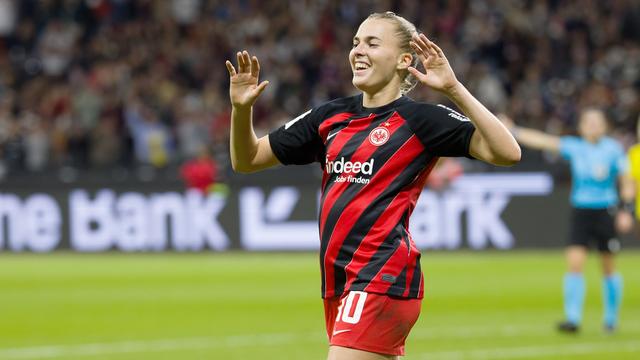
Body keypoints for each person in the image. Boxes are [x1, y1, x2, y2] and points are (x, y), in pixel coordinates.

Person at [226, 12, 520, 360]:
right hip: (338, 281)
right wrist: (241, 111)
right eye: (355, 43)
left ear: (404, 60)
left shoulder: (422, 120)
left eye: (372, 43)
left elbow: (507, 152)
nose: (357, 51)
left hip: (383, 273)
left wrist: (454, 89)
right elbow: (248, 159)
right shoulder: (329, 117)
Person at [501, 109, 635, 334]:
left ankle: (610, 320)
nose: (592, 126)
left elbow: (627, 180)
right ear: (581, 126)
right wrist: (513, 130)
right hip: (581, 211)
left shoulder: (613, 149)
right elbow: (544, 141)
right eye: (588, 121)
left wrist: (626, 210)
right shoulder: (575, 146)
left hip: (606, 211)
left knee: (608, 267)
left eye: (596, 121)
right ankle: (573, 319)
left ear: (604, 126)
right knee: (574, 264)